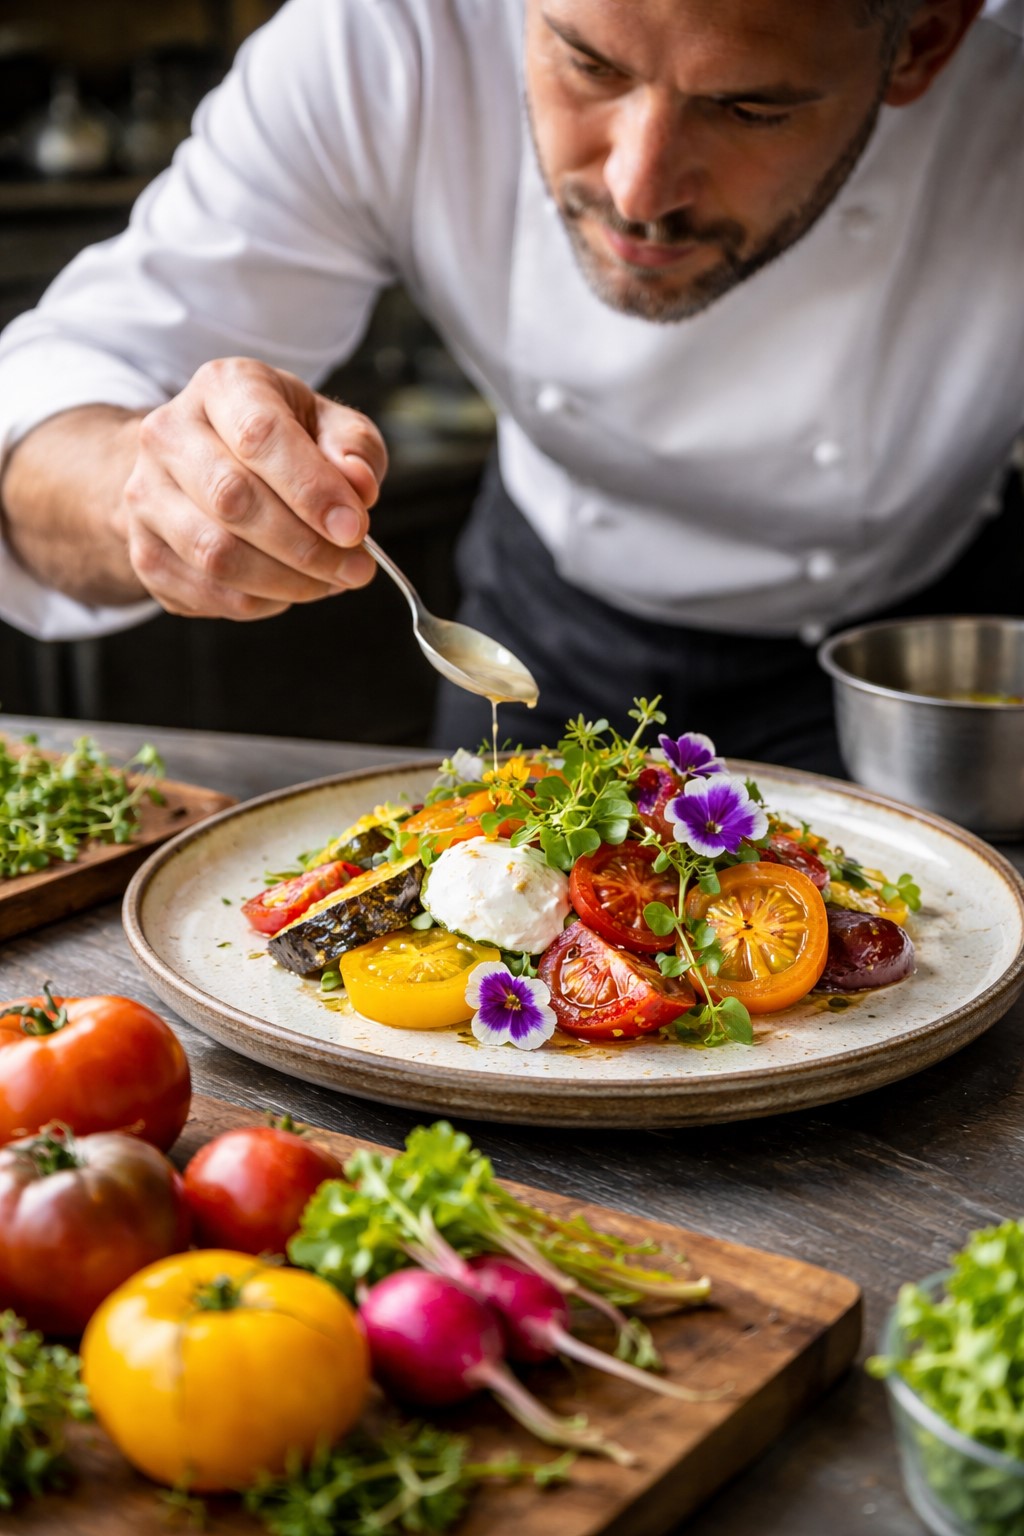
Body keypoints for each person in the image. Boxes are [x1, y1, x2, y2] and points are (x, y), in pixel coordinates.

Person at [0, 0, 1020, 772]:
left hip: (915, 671)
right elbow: (50, 412)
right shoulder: (391, 39)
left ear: (924, 39)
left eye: (749, 107)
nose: (637, 189)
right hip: (542, 649)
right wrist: (158, 486)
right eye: (586, 63)